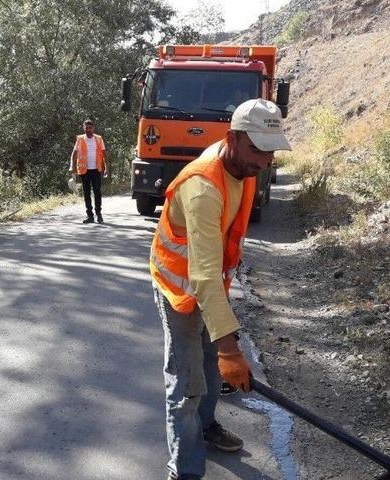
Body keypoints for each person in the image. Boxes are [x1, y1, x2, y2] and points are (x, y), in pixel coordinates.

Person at [150, 99, 291, 480]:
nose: (262, 161)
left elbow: (213, 272)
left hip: (210, 282)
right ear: (232, 138)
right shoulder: (202, 189)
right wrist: (231, 347)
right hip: (179, 287)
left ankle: (207, 426)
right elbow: (203, 276)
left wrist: (224, 348)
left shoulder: (239, 165)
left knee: (213, 370)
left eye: (270, 151)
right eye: (256, 149)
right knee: (187, 384)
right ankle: (185, 470)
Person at [69, 119, 108, 224]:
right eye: (86, 128)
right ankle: (90, 216)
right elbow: (74, 153)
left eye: (90, 128)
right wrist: (72, 165)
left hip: (96, 169)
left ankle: (98, 214)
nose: (88, 130)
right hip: (84, 169)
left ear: (93, 128)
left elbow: (104, 154)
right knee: (86, 193)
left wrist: (107, 168)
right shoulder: (80, 139)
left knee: (97, 192)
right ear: (84, 128)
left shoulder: (99, 139)